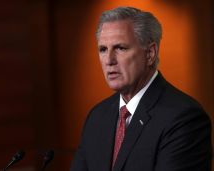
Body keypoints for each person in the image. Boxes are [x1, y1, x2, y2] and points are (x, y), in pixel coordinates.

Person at [70, 6, 212, 171]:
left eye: (120, 48)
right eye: (103, 49)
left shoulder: (184, 119)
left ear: (150, 53)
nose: (109, 60)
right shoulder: (97, 117)